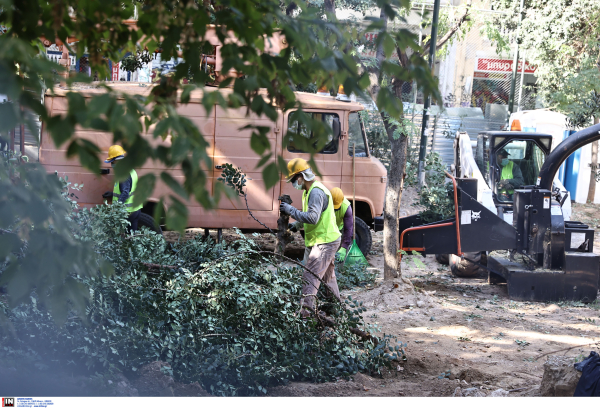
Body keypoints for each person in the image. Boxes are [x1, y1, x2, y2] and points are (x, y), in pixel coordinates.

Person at [279, 158, 341, 317]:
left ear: (300, 176)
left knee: (309, 276)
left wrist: (290, 210)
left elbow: (313, 217)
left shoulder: (315, 191)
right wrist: (297, 225)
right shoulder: (309, 191)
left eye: (293, 179)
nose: (294, 183)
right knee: (328, 278)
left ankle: (305, 315)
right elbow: (315, 215)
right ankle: (336, 311)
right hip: (327, 239)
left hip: (325, 242)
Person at [102, 145, 144, 232]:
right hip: (136, 210)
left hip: (127, 212)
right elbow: (129, 188)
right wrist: (112, 194)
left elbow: (125, 192)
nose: (112, 165)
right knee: (132, 237)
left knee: (118, 236)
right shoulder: (131, 170)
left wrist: (116, 210)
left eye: (112, 162)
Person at [330, 187, 353, 262]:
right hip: (326, 230)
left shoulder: (346, 207)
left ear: (342, 200)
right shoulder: (324, 202)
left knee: (337, 256)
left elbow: (348, 228)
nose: (335, 209)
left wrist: (344, 246)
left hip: (338, 229)